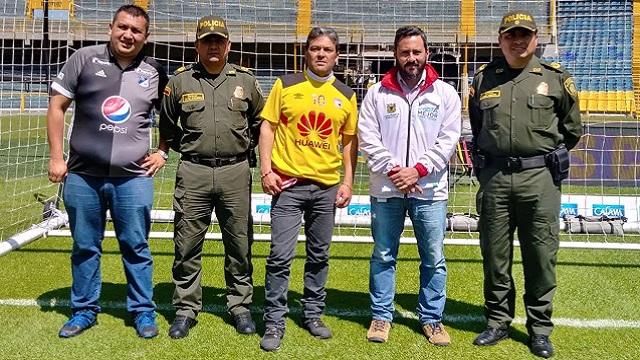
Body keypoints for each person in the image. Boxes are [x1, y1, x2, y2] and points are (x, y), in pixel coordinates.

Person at [46, 5, 168, 339]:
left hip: (133, 179)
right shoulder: (83, 59)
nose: (128, 35)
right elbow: (56, 106)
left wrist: (162, 152)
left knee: (137, 246)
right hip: (84, 177)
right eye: (123, 27)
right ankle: (84, 311)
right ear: (110, 27)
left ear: (145, 37)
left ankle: (142, 312)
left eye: (136, 31)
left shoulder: (156, 70)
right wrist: (57, 158)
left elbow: (171, 119)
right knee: (85, 246)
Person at [468, 11, 582, 359]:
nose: (517, 41)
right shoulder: (484, 79)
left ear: (536, 39)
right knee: (495, 257)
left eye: (524, 35)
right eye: (510, 35)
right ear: (500, 39)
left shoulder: (556, 78)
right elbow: (478, 127)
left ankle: (540, 329)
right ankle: (498, 322)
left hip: (540, 181)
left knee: (541, 256)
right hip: (496, 180)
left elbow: (571, 130)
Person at [158, 15, 264, 339]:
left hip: (235, 171)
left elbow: (262, 123)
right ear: (197, 46)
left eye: (219, 40)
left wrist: (244, 151)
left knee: (239, 243)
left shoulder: (246, 81)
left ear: (229, 45)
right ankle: (186, 309)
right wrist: (184, 149)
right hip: (194, 171)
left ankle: (240, 306)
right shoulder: (179, 82)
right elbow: (166, 124)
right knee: (186, 243)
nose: (214, 45)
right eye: (208, 40)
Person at [358, 26, 461, 346]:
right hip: (386, 190)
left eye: (417, 52)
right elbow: (368, 137)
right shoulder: (377, 93)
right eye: (405, 52)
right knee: (384, 254)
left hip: (429, 190)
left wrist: (417, 170)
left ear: (426, 54)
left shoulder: (445, 93)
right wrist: (394, 171)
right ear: (395, 55)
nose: (411, 58)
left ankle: (432, 319)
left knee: (433, 257)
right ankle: (381, 316)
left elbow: (448, 140)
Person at [258, 27, 358, 351]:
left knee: (319, 255)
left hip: (326, 188)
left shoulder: (346, 94)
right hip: (288, 186)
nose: (320, 54)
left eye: (327, 49)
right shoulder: (284, 85)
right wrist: (265, 170)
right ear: (306, 52)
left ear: (336, 55)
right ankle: (274, 320)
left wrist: (347, 181)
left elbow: (348, 143)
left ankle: (313, 313)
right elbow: (268, 127)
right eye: (315, 48)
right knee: (279, 256)